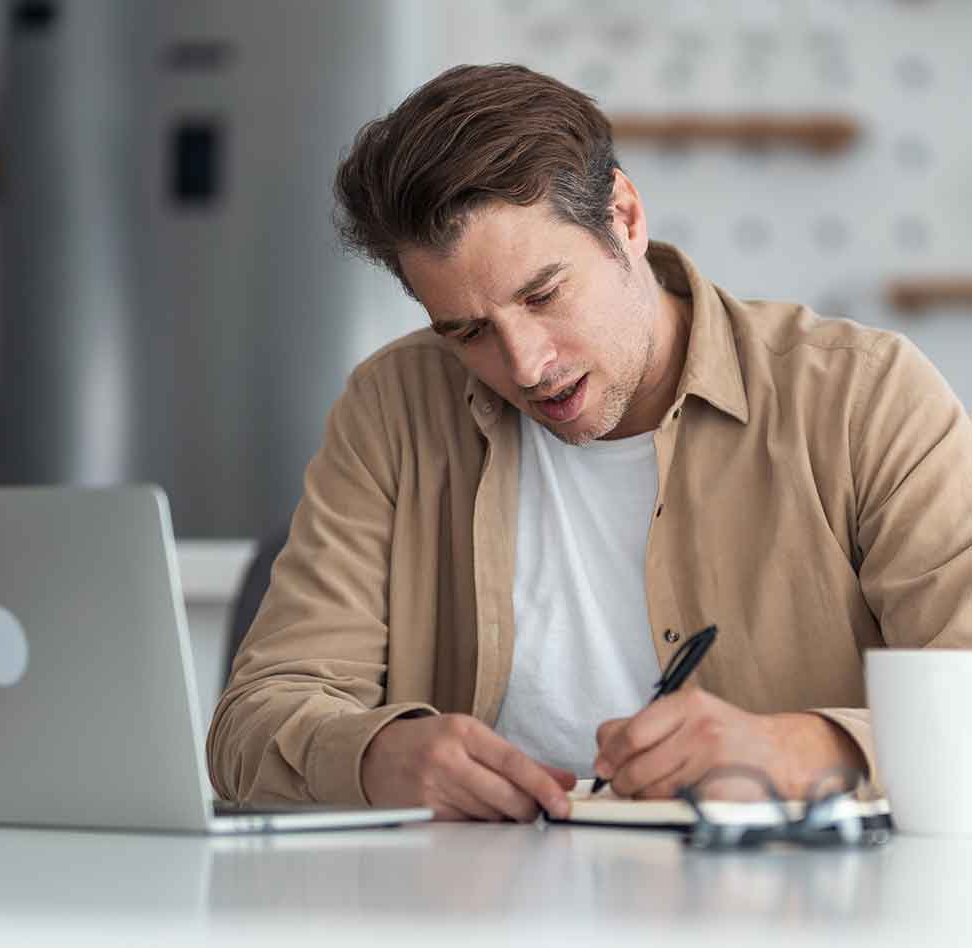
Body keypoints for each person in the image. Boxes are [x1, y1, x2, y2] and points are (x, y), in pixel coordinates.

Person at [206, 63, 972, 821]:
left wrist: (802, 751)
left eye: (544, 295)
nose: (527, 364)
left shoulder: (861, 397)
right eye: (469, 332)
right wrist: (377, 758)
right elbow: (253, 723)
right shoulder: (393, 406)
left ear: (626, 219)